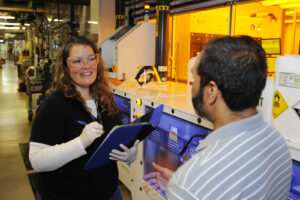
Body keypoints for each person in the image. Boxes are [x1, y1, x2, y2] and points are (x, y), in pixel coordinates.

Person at [145, 36, 293, 200]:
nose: (192, 87)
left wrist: (182, 189)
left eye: (194, 79)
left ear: (211, 92)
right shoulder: (278, 143)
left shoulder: (190, 183)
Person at [29, 36, 139, 200]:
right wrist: (80, 142)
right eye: (77, 61)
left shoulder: (105, 99)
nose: (86, 66)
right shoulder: (54, 105)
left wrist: (130, 154)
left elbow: (115, 137)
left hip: (108, 191)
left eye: (90, 58)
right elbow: (37, 160)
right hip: (64, 194)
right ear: (65, 66)